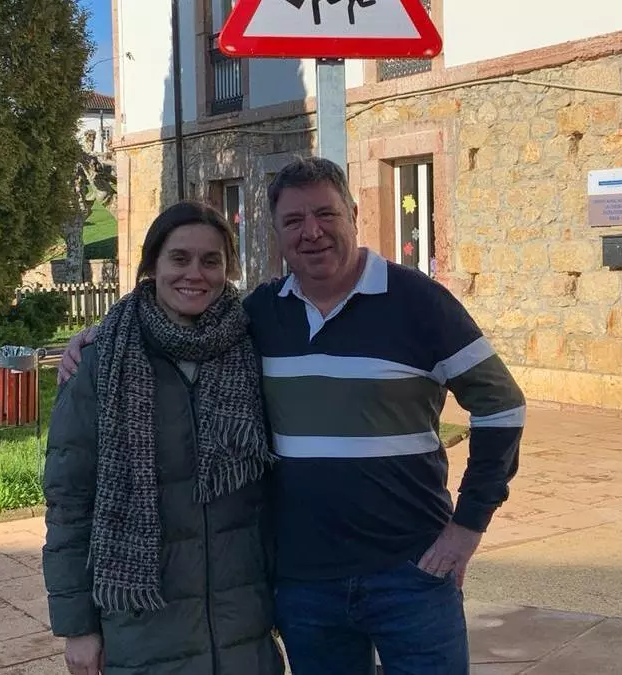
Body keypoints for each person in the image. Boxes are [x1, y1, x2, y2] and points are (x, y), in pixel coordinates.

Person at [59, 157, 526, 675]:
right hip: (307, 587)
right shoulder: (261, 314)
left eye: (325, 214)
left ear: (353, 214)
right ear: (276, 232)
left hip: (410, 574)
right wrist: (98, 337)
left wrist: (467, 526)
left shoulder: (419, 302)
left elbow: (502, 406)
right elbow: (179, 314)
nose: (312, 232)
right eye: (294, 220)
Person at [43, 200, 284, 675]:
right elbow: (69, 502)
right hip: (143, 628)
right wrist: (77, 627)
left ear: (227, 270)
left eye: (211, 260)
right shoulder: (103, 361)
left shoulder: (254, 346)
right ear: (152, 265)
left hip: (243, 625)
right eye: (179, 258)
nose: (195, 273)